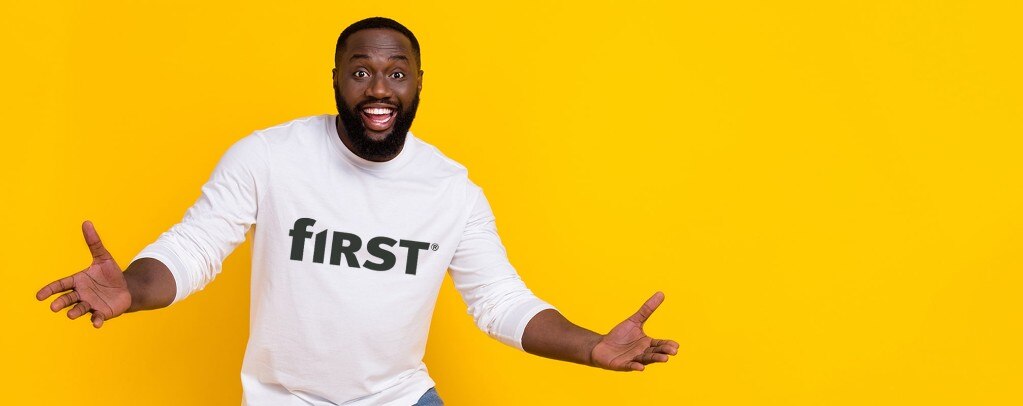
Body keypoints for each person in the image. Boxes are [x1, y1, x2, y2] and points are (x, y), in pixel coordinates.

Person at [35, 16, 679, 406]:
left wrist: (591, 347)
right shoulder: (269, 156)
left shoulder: (451, 190)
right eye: (360, 71)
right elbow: (195, 247)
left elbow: (500, 301)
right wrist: (134, 289)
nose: (378, 88)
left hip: (400, 397)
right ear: (336, 79)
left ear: (419, 82)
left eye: (396, 73)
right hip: (284, 399)